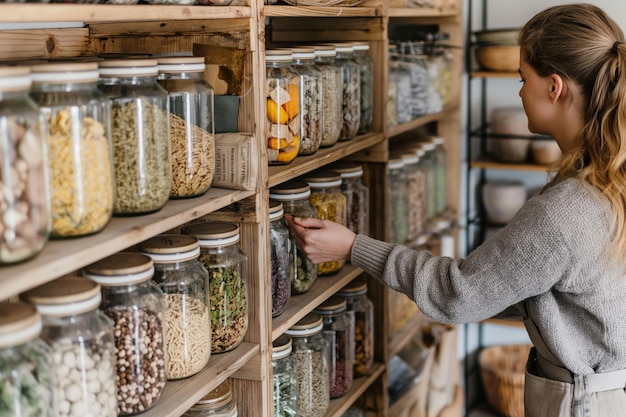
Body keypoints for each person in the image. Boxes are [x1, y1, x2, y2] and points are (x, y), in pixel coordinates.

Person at [285, 4, 626, 416]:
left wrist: (353, 246)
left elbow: (458, 296)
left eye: (523, 78)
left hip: (582, 404)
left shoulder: (565, 212)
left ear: (555, 87)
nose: (519, 91)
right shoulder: (608, 178)